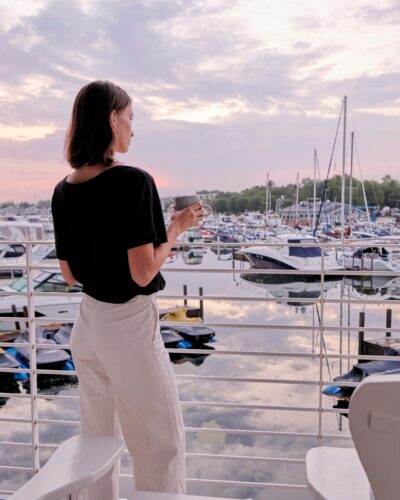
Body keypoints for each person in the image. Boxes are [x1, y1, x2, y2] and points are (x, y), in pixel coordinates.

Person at [51, 80, 203, 500]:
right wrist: (176, 228)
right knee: (160, 443)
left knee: (97, 440)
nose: (133, 129)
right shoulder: (133, 182)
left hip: (88, 325)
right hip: (129, 325)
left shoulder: (64, 190)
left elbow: (68, 274)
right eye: (131, 117)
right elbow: (142, 273)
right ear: (112, 118)